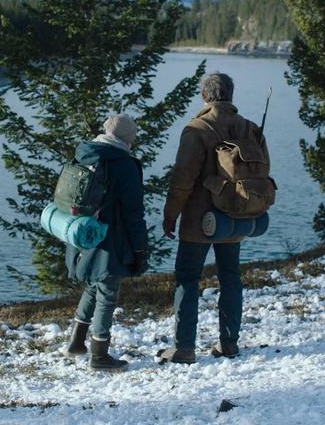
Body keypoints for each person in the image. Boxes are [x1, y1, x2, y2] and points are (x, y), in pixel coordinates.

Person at [158, 72, 270, 364]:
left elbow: (182, 180)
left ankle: (184, 347)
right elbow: (262, 172)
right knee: (230, 277)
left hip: (200, 220)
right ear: (230, 95)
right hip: (236, 215)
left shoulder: (197, 129)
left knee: (187, 278)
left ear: (204, 96)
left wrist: (171, 215)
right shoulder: (251, 129)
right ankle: (229, 343)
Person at [63, 114, 150, 371]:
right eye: (132, 137)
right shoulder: (124, 164)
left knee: (94, 284)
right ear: (126, 139)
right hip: (111, 240)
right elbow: (134, 213)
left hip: (83, 233)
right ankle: (99, 357)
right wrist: (140, 250)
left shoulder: (85, 154)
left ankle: (76, 343)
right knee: (107, 294)